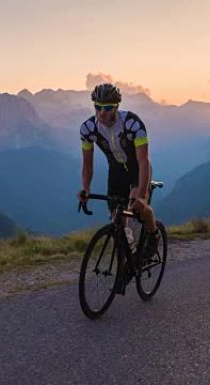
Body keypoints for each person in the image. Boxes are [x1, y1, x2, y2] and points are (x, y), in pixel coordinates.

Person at [77, 83, 161, 274]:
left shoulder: (132, 123)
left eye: (107, 108)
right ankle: (125, 262)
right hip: (115, 173)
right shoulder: (88, 129)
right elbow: (87, 164)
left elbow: (143, 160)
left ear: (116, 107)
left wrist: (141, 195)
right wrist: (85, 188)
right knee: (117, 221)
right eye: (97, 107)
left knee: (138, 207)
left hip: (137, 170)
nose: (101, 113)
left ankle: (153, 235)